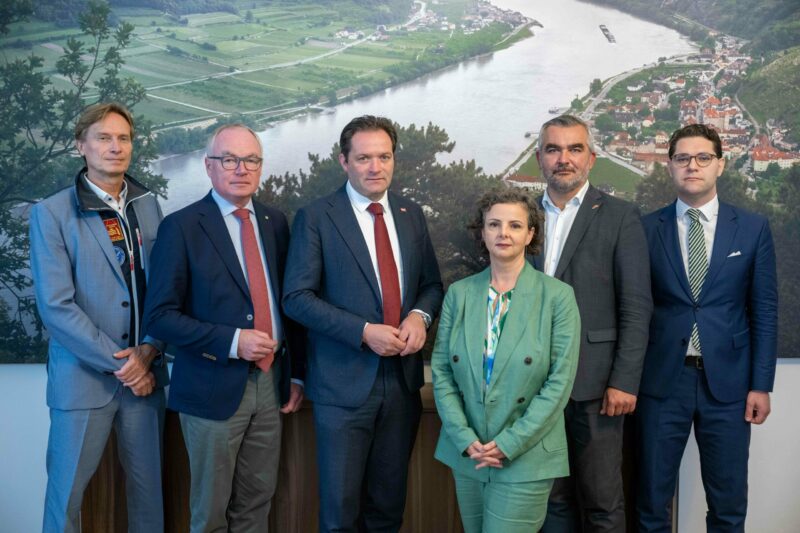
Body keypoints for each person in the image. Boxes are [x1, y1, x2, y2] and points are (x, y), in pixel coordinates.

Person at [282, 115, 443, 532]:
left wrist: (419, 316)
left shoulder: (410, 214)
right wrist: (363, 332)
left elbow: (431, 285)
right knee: (340, 515)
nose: (376, 167)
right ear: (344, 161)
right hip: (342, 386)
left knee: (388, 511)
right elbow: (296, 299)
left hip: (403, 384)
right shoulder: (316, 217)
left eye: (384, 156)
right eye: (364, 157)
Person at [142, 124, 306, 532]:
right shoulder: (181, 227)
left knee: (256, 504)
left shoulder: (274, 221)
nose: (241, 169)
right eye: (229, 159)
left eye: (251, 160)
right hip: (211, 387)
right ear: (209, 167)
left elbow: (289, 305)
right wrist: (233, 341)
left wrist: (297, 373)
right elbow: (160, 316)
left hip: (270, 384)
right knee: (210, 512)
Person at [29, 102, 168, 533]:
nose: (115, 147)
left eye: (123, 138)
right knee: (66, 499)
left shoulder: (148, 205)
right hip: (84, 382)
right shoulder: (51, 213)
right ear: (80, 146)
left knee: (149, 500)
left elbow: (163, 291)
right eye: (104, 138)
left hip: (145, 381)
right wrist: (126, 364)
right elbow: (56, 307)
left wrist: (149, 352)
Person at [636, 124, 778, 532]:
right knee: (651, 504)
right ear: (670, 167)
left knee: (729, 506)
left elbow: (764, 310)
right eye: (682, 158)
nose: (692, 166)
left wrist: (761, 385)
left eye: (702, 158)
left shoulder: (751, 228)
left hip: (730, 387)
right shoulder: (646, 229)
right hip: (662, 382)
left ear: (721, 165)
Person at [431, 188, 580, 533]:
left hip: (524, 457)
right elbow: (441, 371)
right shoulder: (460, 293)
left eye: (515, 225)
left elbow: (559, 383)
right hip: (469, 454)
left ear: (530, 234)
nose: (503, 233)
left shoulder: (557, 297)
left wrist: (508, 444)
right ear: (482, 232)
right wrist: (464, 437)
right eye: (494, 224)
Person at [533, 114, 653, 532]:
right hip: (533, 388)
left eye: (574, 148)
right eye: (553, 149)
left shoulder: (620, 216)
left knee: (603, 503)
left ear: (591, 158)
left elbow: (636, 307)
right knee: (551, 502)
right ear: (539, 159)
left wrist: (624, 380)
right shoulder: (521, 217)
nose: (563, 158)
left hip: (597, 385)